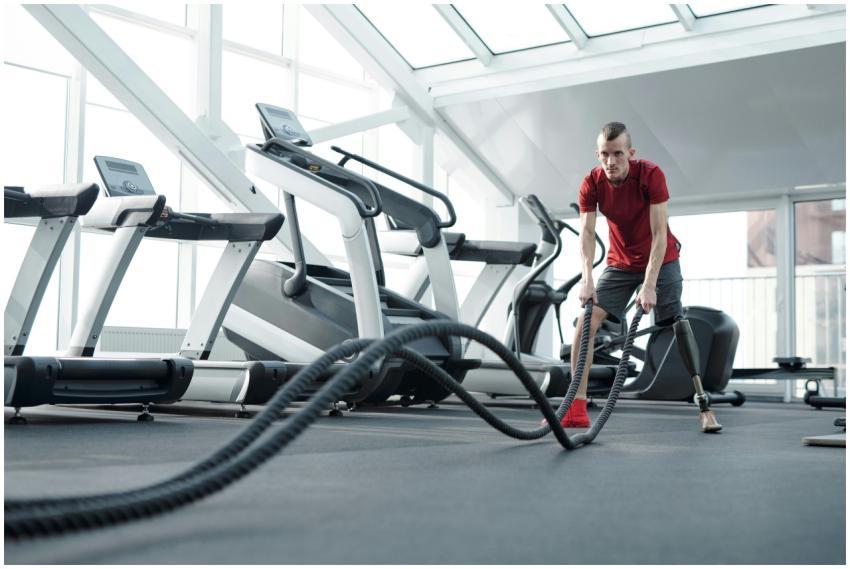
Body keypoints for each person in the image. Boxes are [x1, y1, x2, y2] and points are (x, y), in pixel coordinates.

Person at [552, 121, 698, 429]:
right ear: (598, 154)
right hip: (620, 263)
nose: (610, 162)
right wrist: (587, 279)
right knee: (585, 321)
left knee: (675, 321)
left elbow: (659, 234)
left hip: (663, 259)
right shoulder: (591, 182)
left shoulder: (650, 175)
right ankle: (575, 406)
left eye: (617, 154)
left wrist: (648, 285)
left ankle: (702, 397)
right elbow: (587, 233)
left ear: (630, 153)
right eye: (604, 154)